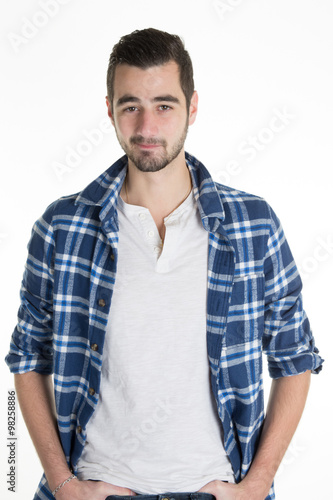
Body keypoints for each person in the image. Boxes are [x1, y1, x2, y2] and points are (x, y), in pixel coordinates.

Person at [5, 28, 323, 500]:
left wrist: (256, 485)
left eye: (164, 106)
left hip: (217, 490)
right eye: (130, 105)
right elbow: (28, 357)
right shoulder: (63, 226)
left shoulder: (253, 225)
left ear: (192, 107)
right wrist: (62, 482)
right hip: (94, 489)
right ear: (109, 109)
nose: (146, 127)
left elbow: (294, 357)